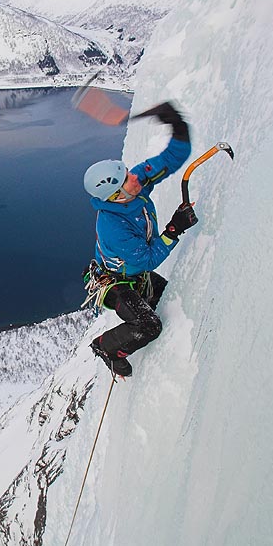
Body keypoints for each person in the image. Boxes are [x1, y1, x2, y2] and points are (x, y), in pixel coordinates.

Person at [82, 101, 198, 377]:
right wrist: (174, 229)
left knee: (167, 296)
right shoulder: (114, 227)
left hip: (134, 274)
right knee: (149, 325)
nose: (134, 177)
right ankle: (106, 348)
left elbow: (169, 160)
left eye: (127, 172)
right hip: (116, 284)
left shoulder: (133, 184)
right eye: (126, 180)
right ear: (116, 196)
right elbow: (145, 260)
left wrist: (178, 127)